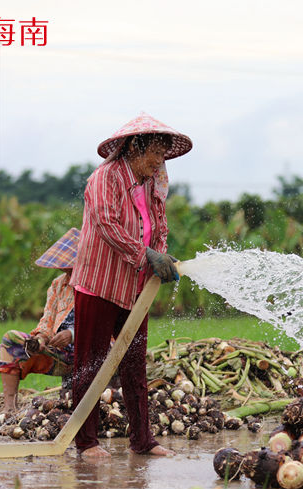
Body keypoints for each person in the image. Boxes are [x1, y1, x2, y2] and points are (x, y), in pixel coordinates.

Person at [70, 112, 190, 458]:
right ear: (134, 149)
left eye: (163, 154)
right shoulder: (104, 178)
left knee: (134, 365)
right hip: (100, 284)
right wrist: (146, 255)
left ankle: (143, 441)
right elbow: (107, 225)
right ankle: (86, 442)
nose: (158, 161)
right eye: (154, 152)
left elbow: (160, 225)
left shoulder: (153, 184)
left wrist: (161, 257)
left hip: (137, 287)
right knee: (90, 363)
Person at [0, 228, 80, 414]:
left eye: (69, 266)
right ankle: (9, 407)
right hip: (61, 353)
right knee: (11, 339)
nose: (64, 269)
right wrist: (41, 338)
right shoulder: (58, 285)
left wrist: (72, 335)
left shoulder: (96, 285)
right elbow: (47, 321)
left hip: (93, 352)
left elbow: (104, 327)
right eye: (63, 266)